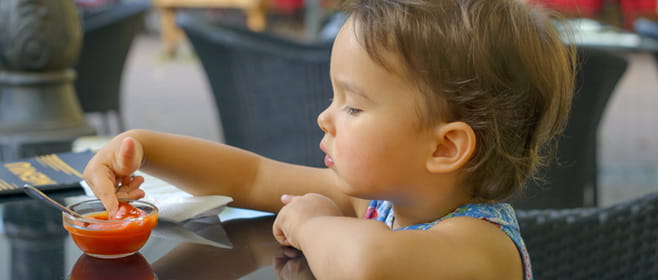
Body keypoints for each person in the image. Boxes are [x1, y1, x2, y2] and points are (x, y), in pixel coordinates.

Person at [83, 0, 575, 279]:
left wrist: (310, 221)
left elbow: (368, 266)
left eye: (353, 105)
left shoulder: (481, 247)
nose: (325, 117)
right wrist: (143, 147)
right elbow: (252, 175)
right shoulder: (383, 204)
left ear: (444, 148)